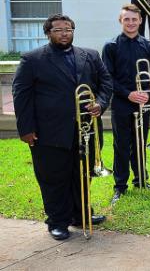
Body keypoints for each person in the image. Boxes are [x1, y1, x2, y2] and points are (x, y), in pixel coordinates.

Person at [13, 14, 113, 240]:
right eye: (58, 30)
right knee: (53, 178)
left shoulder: (90, 55)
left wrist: (101, 103)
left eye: (68, 29)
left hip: (86, 129)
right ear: (48, 32)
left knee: (83, 174)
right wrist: (26, 129)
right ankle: (57, 221)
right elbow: (21, 95)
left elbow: (106, 83)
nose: (64, 33)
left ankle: (80, 214)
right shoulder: (32, 59)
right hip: (49, 132)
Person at [102, 4, 150, 204]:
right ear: (121, 21)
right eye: (126, 19)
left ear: (140, 20)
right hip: (121, 103)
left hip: (142, 102)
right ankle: (120, 187)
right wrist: (128, 94)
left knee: (140, 143)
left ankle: (141, 180)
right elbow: (107, 78)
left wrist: (146, 94)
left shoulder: (149, 45)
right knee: (121, 145)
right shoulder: (111, 46)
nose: (131, 23)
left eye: (134, 19)